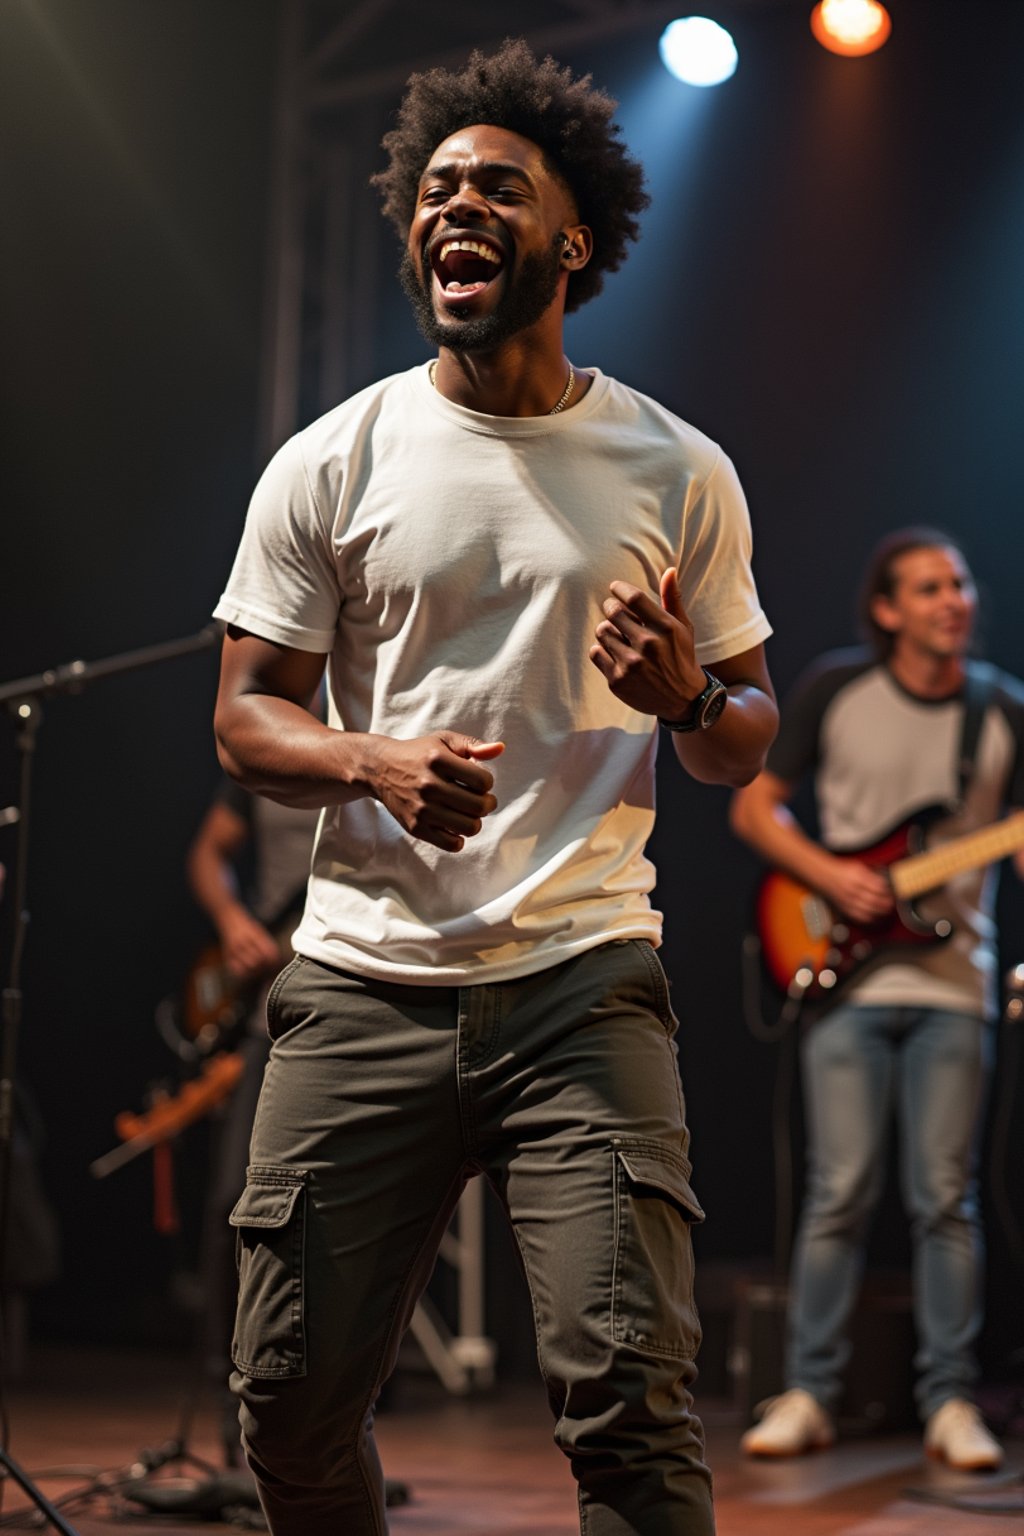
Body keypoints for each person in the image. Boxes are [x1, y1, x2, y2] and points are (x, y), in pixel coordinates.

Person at [211, 39, 778, 1536]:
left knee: (634, 1410)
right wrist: (372, 758)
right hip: (362, 985)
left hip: (583, 981)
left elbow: (745, 734)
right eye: (438, 188)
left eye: (499, 189)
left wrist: (692, 694)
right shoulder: (332, 461)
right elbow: (244, 724)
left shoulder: (677, 469)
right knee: (285, 1403)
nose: (457, 207)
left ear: (571, 238)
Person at [731, 527, 1024, 1469]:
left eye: (961, 584)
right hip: (841, 971)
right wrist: (834, 876)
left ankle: (950, 1402)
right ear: (888, 609)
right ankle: (810, 1391)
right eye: (931, 587)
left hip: (955, 982)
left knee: (946, 1198)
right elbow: (752, 806)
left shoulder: (1003, 711)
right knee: (839, 1192)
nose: (954, 599)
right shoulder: (834, 688)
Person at [185, 777, 319, 1399]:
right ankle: (229, 1383)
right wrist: (233, 920)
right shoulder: (271, 744)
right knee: (235, 1200)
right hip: (272, 1012)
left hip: (357, 1004)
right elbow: (208, 852)